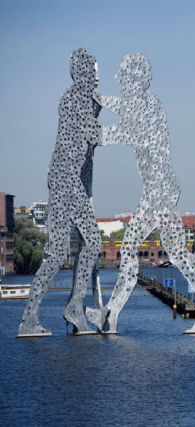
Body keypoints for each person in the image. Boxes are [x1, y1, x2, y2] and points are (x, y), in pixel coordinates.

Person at [87, 53, 195, 334]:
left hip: (159, 192)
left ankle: (111, 316)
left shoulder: (149, 107)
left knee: (132, 251)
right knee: (172, 253)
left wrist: (90, 130)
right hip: (158, 191)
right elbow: (124, 108)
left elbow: (118, 132)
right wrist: (98, 98)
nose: (119, 79)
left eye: (123, 76)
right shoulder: (143, 104)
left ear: (136, 79)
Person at [18, 48, 102, 337]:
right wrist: (127, 127)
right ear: (84, 72)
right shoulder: (76, 99)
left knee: (90, 241)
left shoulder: (76, 99)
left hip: (67, 180)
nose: (98, 77)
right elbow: (95, 136)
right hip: (65, 179)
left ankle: (73, 307)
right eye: (94, 70)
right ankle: (35, 318)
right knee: (60, 253)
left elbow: (88, 146)